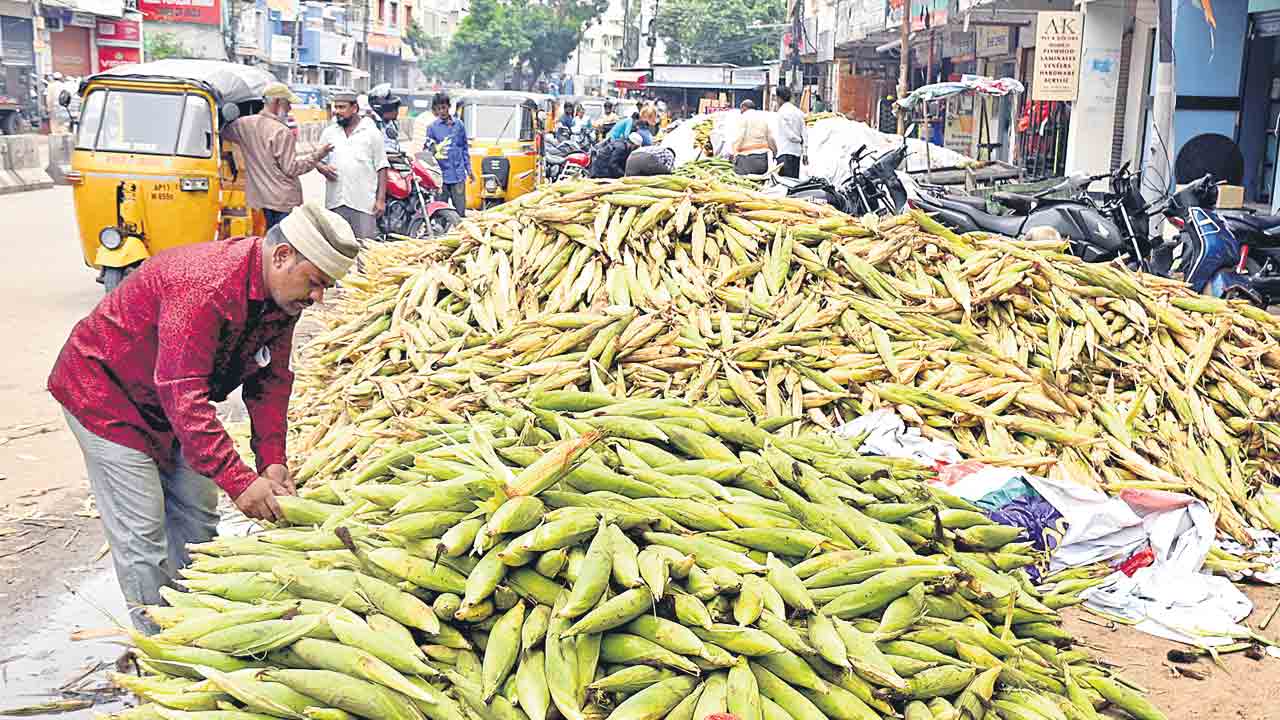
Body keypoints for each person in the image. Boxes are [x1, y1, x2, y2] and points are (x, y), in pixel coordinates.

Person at [48, 203, 359, 633]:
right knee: (143, 534)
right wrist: (240, 481)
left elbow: (269, 383)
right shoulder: (207, 285)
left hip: (171, 402)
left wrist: (271, 459)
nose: (319, 297)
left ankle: (197, 625)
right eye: (317, 282)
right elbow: (183, 394)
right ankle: (161, 650)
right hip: (107, 396)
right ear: (283, 256)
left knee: (197, 518)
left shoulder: (284, 299)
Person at [221, 83, 332, 231]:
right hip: (283, 202)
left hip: (259, 201)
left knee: (264, 242)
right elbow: (291, 169)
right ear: (277, 102)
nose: (290, 109)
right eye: (288, 104)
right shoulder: (281, 131)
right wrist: (318, 155)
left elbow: (224, 132)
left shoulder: (243, 125)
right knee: (282, 243)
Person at [317, 90, 389, 240]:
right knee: (337, 249)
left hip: (363, 202)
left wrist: (381, 199)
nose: (337, 112)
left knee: (365, 250)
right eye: (336, 107)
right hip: (335, 201)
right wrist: (323, 169)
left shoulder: (371, 133)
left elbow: (382, 166)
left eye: (342, 107)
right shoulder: (329, 133)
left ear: (354, 108)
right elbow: (317, 159)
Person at [425, 92, 472, 217]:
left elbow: (464, 148)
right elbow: (428, 152)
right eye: (438, 108)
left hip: (458, 175)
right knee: (440, 211)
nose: (442, 111)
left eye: (444, 107)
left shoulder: (459, 125)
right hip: (441, 176)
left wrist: (469, 169)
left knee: (460, 211)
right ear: (435, 110)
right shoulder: (432, 128)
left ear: (449, 107)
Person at [732, 99, 776, 176]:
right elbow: (770, 138)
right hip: (762, 159)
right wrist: (775, 153)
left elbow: (739, 137)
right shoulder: (763, 118)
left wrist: (734, 154)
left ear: (744, 107)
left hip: (746, 159)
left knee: (745, 184)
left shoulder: (743, 117)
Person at [773, 86, 805, 179]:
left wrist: (799, 140)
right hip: (796, 153)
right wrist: (805, 150)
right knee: (794, 181)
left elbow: (789, 134)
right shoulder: (798, 112)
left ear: (779, 98)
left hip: (785, 152)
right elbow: (804, 133)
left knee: (784, 183)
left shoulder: (781, 112)